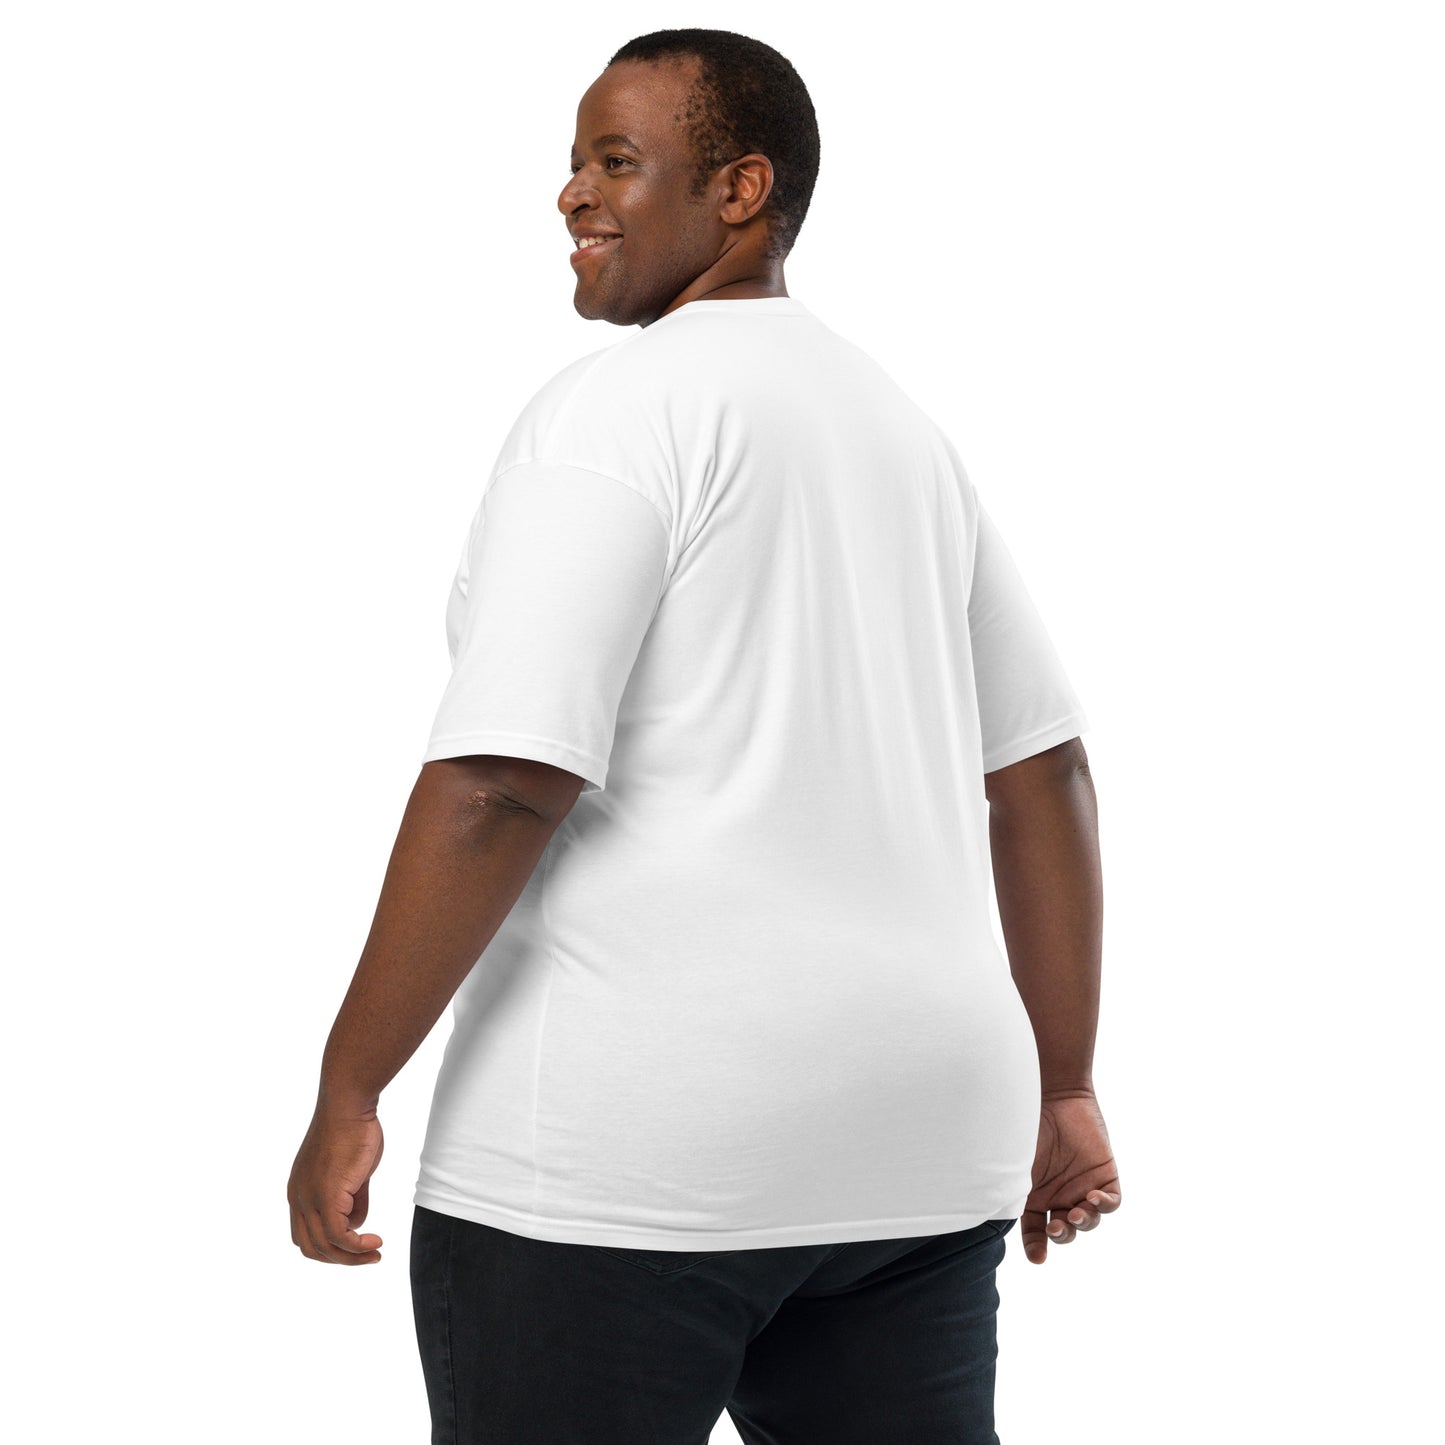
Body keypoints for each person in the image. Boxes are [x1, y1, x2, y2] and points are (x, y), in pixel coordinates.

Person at [287, 26, 1121, 1445]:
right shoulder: (896, 428)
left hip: (624, 1165)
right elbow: (1041, 771)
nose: (569, 195)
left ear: (740, 190)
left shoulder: (616, 416)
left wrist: (351, 1078)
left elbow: (500, 781)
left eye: (615, 160)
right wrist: (1061, 1079)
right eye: (569, 162)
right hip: (911, 1154)